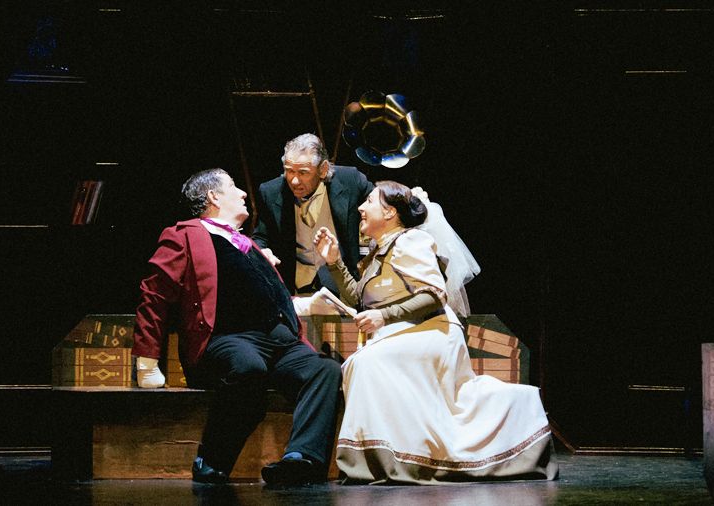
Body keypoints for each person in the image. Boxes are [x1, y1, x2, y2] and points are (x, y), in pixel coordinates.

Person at [313, 181, 558, 484]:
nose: (361, 208)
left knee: (365, 363)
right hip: (402, 333)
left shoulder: (411, 241)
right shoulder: (378, 252)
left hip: (432, 331)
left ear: (389, 213)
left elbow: (433, 294)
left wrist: (383, 316)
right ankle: (392, 455)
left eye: (370, 201)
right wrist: (334, 261)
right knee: (361, 363)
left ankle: (393, 459)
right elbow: (359, 298)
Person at [132, 168, 342, 486]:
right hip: (228, 338)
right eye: (233, 187)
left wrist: (307, 305)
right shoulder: (185, 235)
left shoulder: (246, 243)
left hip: (280, 341)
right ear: (213, 197)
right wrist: (147, 359)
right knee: (248, 367)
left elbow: (264, 296)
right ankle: (212, 459)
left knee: (324, 370)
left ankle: (301, 459)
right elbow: (155, 294)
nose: (243, 193)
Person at [253, 133, 374, 296]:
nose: (294, 181)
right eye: (289, 171)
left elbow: (383, 207)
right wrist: (262, 251)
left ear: (323, 169)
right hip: (296, 288)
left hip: (344, 286)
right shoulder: (270, 192)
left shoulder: (351, 180)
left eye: (303, 173)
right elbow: (261, 236)